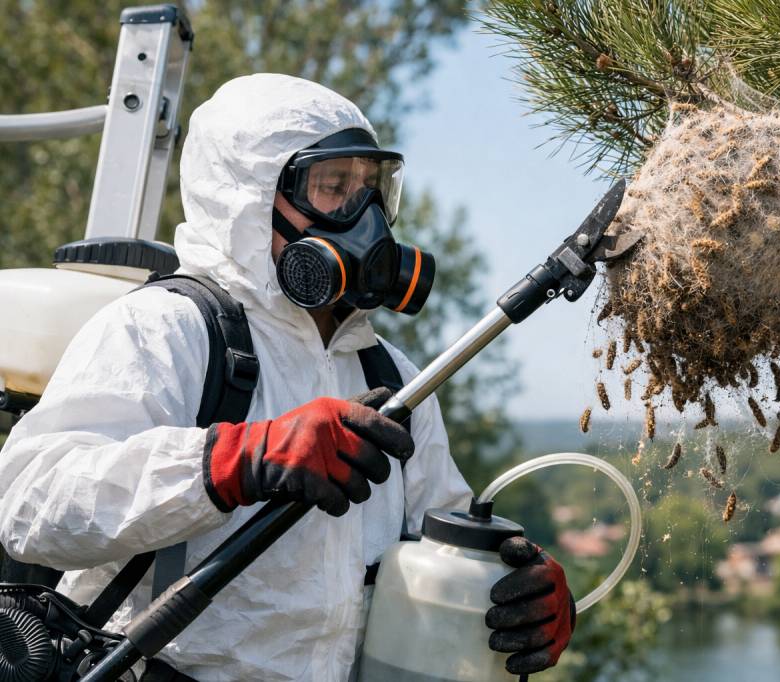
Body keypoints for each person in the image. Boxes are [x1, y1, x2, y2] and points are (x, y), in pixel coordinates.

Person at [0, 74, 573, 681]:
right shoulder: (167, 328)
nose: (363, 218)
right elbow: (30, 505)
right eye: (333, 187)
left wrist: (509, 588)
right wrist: (233, 461)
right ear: (247, 201)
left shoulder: (391, 374)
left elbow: (442, 548)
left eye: (370, 190)